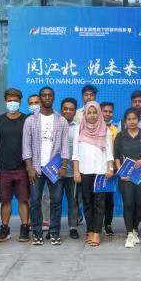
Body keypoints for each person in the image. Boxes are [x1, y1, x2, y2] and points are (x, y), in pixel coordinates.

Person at [22, 86, 69, 245]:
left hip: (55, 168)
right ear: (40, 98)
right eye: (44, 95)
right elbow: (26, 146)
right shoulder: (30, 120)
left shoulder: (61, 120)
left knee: (56, 201)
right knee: (35, 201)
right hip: (36, 168)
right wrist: (29, 168)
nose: (47, 98)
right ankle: (37, 233)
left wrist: (63, 166)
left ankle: (54, 232)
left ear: (53, 97)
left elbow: (64, 146)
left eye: (50, 95)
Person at [72, 101, 115, 247]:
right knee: (87, 202)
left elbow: (109, 153)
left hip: (101, 173)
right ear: (85, 114)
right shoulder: (79, 129)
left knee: (99, 203)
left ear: (99, 113)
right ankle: (90, 230)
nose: (92, 115)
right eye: (89, 112)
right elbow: (75, 154)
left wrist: (110, 169)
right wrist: (76, 171)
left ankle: (97, 232)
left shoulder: (105, 130)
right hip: (84, 172)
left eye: (95, 112)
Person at [0, 88, 30, 243]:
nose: (12, 103)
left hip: (22, 168)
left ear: (20, 102)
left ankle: (25, 227)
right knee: (5, 201)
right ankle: (5, 228)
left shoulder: (27, 120)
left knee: (23, 200)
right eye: (10, 100)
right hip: (3, 168)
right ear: (5, 101)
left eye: (15, 100)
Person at [114, 108, 141, 248]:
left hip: (140, 175)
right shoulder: (120, 136)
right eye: (129, 119)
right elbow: (116, 156)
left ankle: (135, 229)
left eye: (134, 119)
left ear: (138, 120)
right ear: (125, 121)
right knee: (128, 203)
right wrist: (120, 172)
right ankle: (129, 233)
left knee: (140, 204)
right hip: (126, 175)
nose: (132, 122)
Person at [60, 97, 82, 239]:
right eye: (65, 109)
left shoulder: (79, 127)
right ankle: (53, 228)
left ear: (75, 112)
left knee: (73, 200)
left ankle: (73, 227)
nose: (68, 111)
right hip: (56, 170)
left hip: (73, 170)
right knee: (55, 200)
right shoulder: (55, 124)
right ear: (61, 110)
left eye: (71, 109)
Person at [101, 101, 119, 236]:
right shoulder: (92, 128)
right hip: (95, 169)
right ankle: (95, 225)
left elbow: (116, 151)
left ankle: (108, 224)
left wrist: (113, 168)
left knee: (109, 199)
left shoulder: (115, 130)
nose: (107, 114)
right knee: (96, 199)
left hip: (110, 169)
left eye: (110, 111)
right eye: (105, 111)